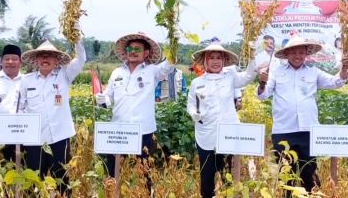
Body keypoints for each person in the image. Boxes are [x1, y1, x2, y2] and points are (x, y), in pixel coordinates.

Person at [257, 35, 348, 196]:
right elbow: (263, 95)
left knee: (309, 172)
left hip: (308, 131)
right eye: (293, 52)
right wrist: (262, 82)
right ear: (287, 54)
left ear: (306, 53)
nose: (297, 56)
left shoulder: (314, 72)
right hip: (283, 131)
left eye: (301, 52)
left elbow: (336, 82)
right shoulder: (277, 73)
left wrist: (344, 69)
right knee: (286, 176)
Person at [95, 33, 175, 185]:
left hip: (143, 131)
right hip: (118, 130)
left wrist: (173, 40)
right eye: (130, 48)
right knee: (113, 172)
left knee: (145, 176)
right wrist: (101, 99)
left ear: (146, 53)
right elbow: (108, 98)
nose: (133, 52)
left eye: (137, 49)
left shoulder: (152, 71)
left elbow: (169, 65)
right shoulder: (117, 73)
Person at [187, 39, 257, 198]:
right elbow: (191, 104)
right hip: (205, 134)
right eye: (211, 58)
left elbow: (249, 75)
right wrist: (193, 114)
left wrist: (252, 56)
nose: (215, 61)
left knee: (227, 174)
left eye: (219, 58)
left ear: (224, 61)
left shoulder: (230, 78)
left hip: (228, 133)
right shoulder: (197, 83)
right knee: (207, 177)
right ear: (205, 60)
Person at [19, 39, 86, 195]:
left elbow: (81, 58)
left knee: (62, 181)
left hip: (60, 139)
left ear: (57, 60)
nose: (45, 59)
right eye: (42, 56)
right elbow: (21, 108)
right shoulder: (26, 80)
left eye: (49, 55)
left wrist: (76, 38)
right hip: (34, 140)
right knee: (33, 181)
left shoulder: (64, 75)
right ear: (36, 60)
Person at [0, 44, 22, 160]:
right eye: (7, 59)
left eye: (14, 59)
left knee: (19, 174)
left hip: (20, 138)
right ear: (1, 61)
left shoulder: (27, 81)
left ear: (20, 62)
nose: (10, 62)